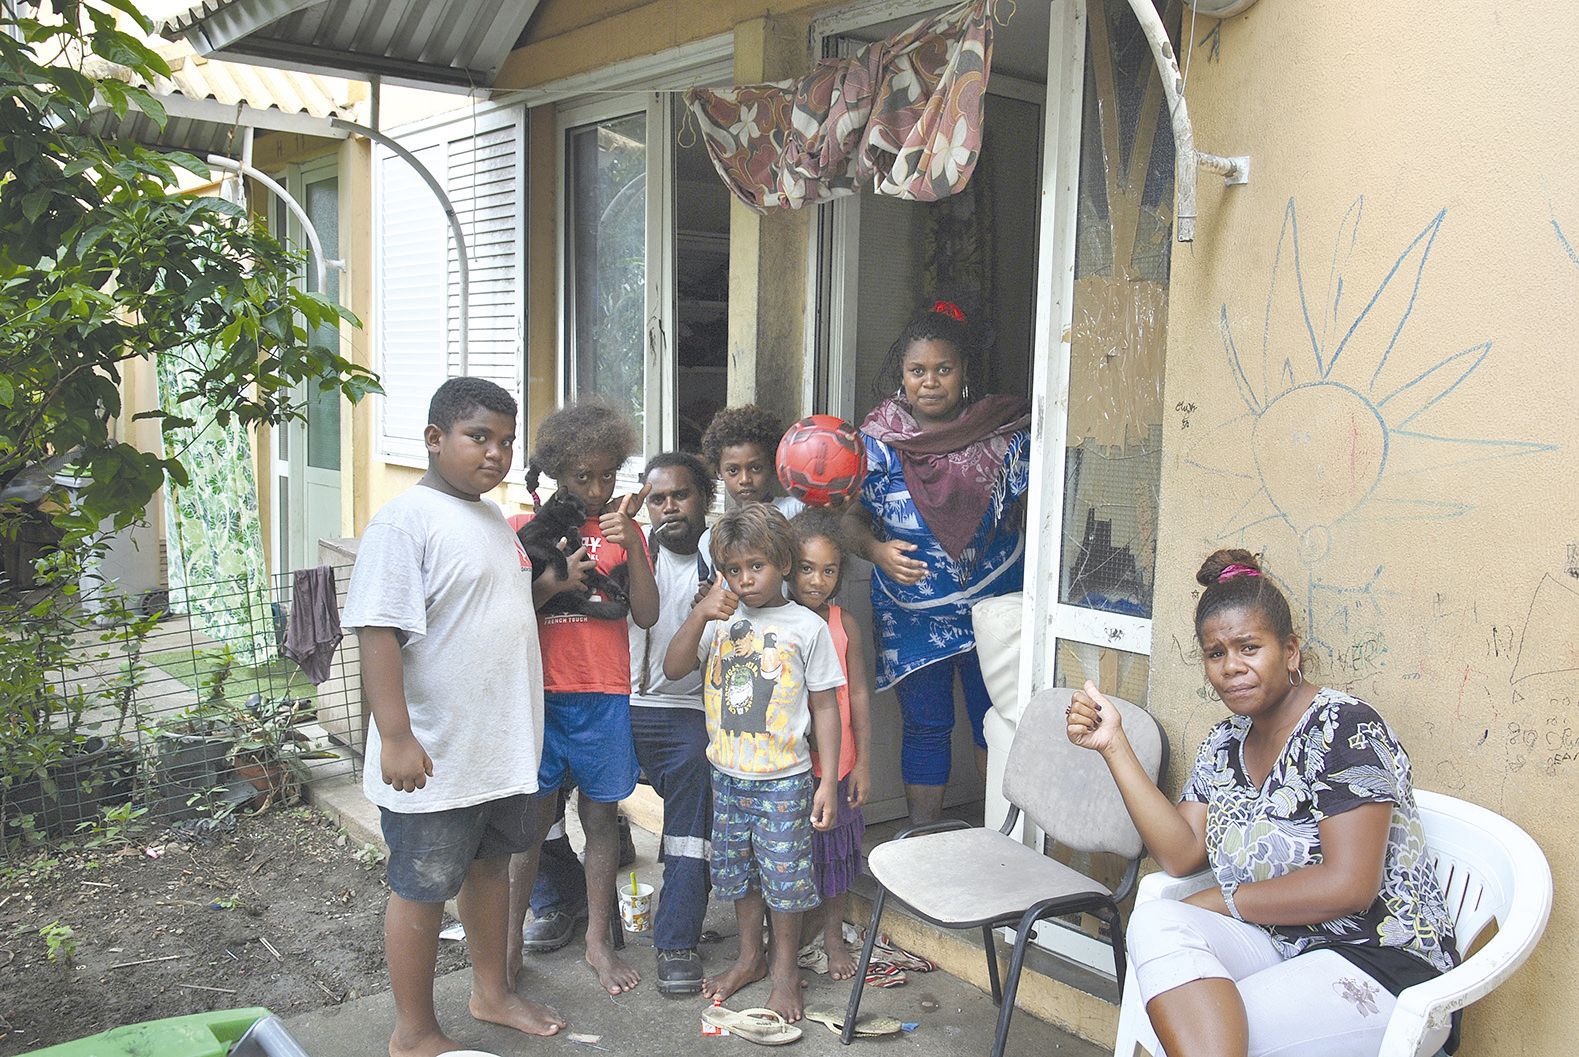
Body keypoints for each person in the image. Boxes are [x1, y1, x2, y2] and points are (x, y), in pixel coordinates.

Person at [1065, 549, 1460, 1057]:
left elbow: (1350, 885)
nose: (1232, 668)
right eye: (1216, 653)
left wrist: (1223, 901)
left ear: (1290, 651)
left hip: (1378, 961)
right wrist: (1114, 747)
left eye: (1249, 648)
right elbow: (1182, 854)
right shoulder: (1225, 743)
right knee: (1156, 920)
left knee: (1203, 1035)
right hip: (1278, 942)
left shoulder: (1345, 728)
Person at [341, 377, 567, 1057]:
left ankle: (490, 992)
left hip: (494, 748)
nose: (495, 453)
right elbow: (378, 631)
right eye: (478, 437)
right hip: (433, 755)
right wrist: (397, 736)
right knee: (421, 888)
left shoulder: (492, 518)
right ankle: (413, 1031)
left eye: (505, 439)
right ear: (435, 439)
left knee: (490, 870)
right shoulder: (403, 521)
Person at [843, 298, 1031, 824]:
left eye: (943, 369)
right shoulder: (875, 444)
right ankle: (926, 842)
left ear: (963, 372)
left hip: (991, 609)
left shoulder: (1002, 435)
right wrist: (877, 551)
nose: (930, 382)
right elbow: (849, 520)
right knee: (926, 726)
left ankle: (999, 838)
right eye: (917, 370)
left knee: (994, 720)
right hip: (912, 617)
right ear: (901, 376)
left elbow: (1033, 506)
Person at [663, 503, 844, 1023]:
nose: (745, 580)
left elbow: (825, 707)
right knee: (737, 876)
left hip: (785, 781)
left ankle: (785, 972)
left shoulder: (805, 627)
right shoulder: (720, 620)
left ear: (784, 562)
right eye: (734, 570)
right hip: (726, 777)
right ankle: (749, 958)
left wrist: (827, 780)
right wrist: (699, 613)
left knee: (785, 880)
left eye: (756, 566)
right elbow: (673, 668)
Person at [506, 401, 659, 997]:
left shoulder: (626, 532)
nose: (596, 490)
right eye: (582, 477)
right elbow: (512, 615)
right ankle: (511, 944)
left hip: (604, 696)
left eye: (607, 475)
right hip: (543, 695)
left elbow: (644, 614)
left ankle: (597, 939)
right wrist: (555, 583)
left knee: (600, 820)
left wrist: (635, 546)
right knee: (531, 828)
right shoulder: (526, 531)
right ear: (557, 474)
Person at [626, 452, 719, 994]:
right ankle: (556, 901)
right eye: (657, 498)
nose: (668, 507)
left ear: (702, 497)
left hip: (694, 712)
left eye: (679, 495)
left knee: (691, 816)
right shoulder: (632, 552)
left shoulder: (725, 553)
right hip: (626, 704)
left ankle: (676, 937)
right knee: (553, 788)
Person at [788, 508, 872, 981]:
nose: (817, 580)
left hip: (835, 764)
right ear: (786, 565)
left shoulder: (844, 625)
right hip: (786, 763)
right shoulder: (773, 619)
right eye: (806, 568)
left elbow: (857, 693)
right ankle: (789, 935)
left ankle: (832, 936)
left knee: (835, 853)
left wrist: (862, 762)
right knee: (790, 852)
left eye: (829, 570)